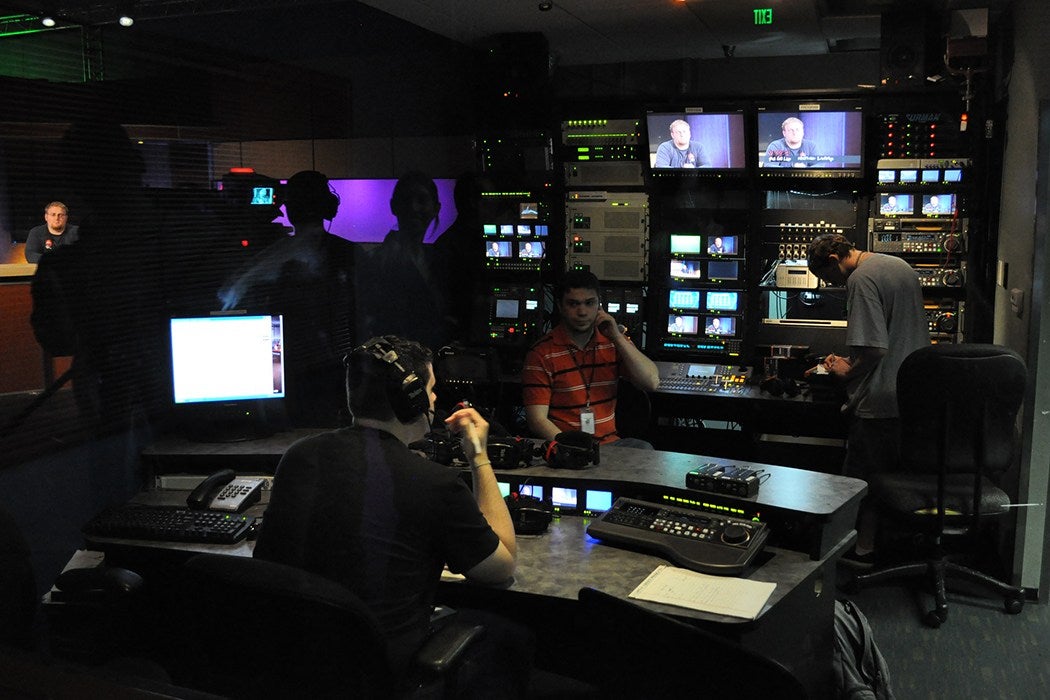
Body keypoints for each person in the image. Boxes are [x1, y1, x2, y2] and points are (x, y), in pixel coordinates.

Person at [254, 335, 528, 695]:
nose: (434, 398)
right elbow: (501, 566)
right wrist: (479, 455)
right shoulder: (434, 483)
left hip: (299, 660)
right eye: (430, 389)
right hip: (378, 669)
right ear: (411, 399)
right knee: (515, 636)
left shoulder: (300, 456)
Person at [805, 233, 929, 567]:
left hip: (879, 400)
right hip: (911, 395)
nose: (832, 284)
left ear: (833, 260)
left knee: (858, 481)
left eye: (828, 278)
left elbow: (875, 349)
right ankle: (870, 548)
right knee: (883, 478)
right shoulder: (899, 266)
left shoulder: (860, 279)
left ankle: (855, 554)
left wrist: (846, 371)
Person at [217, 170, 354, 427]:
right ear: (329, 207)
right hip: (330, 374)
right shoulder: (348, 254)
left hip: (295, 374)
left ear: (289, 209)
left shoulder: (271, 258)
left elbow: (228, 296)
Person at [522, 270, 660, 447]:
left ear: (599, 305)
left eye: (589, 303)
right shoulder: (541, 354)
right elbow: (537, 421)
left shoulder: (612, 343)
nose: (582, 312)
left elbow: (651, 382)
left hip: (609, 445)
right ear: (560, 306)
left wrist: (617, 337)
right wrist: (571, 447)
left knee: (643, 448)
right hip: (566, 446)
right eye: (573, 304)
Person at [356, 171, 452, 350]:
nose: (414, 207)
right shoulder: (378, 262)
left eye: (421, 200)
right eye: (406, 200)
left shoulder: (437, 257)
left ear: (436, 208)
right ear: (394, 206)